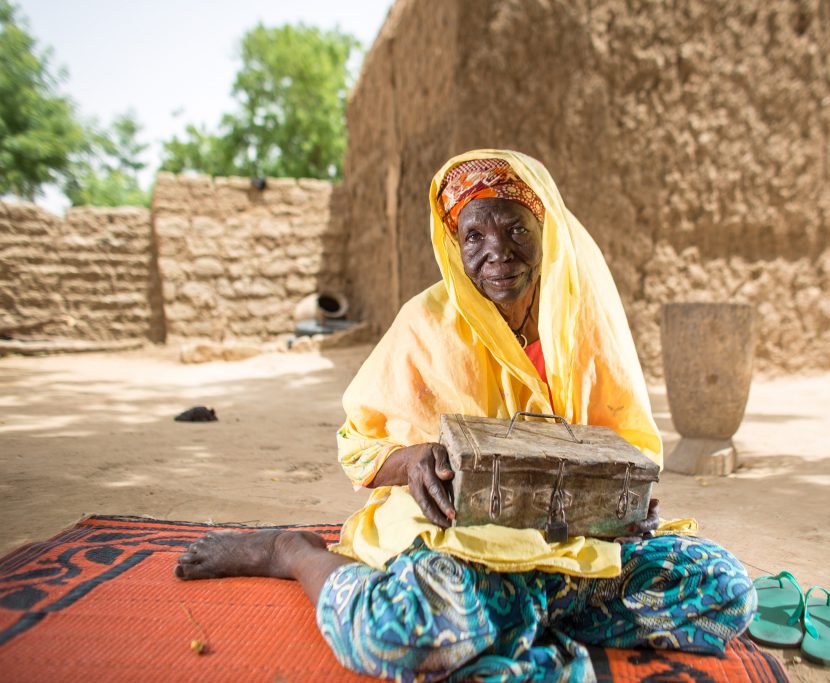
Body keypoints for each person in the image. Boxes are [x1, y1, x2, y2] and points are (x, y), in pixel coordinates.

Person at [175, 150, 755, 682]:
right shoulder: (425, 325)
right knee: (392, 635)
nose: (495, 251)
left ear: (545, 229)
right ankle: (293, 552)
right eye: (473, 234)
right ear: (453, 244)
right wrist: (411, 462)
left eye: (514, 229)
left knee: (725, 590)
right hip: (468, 549)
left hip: (577, 550)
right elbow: (358, 443)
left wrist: (626, 501)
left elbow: (626, 443)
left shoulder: (583, 323)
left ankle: (514, 619)